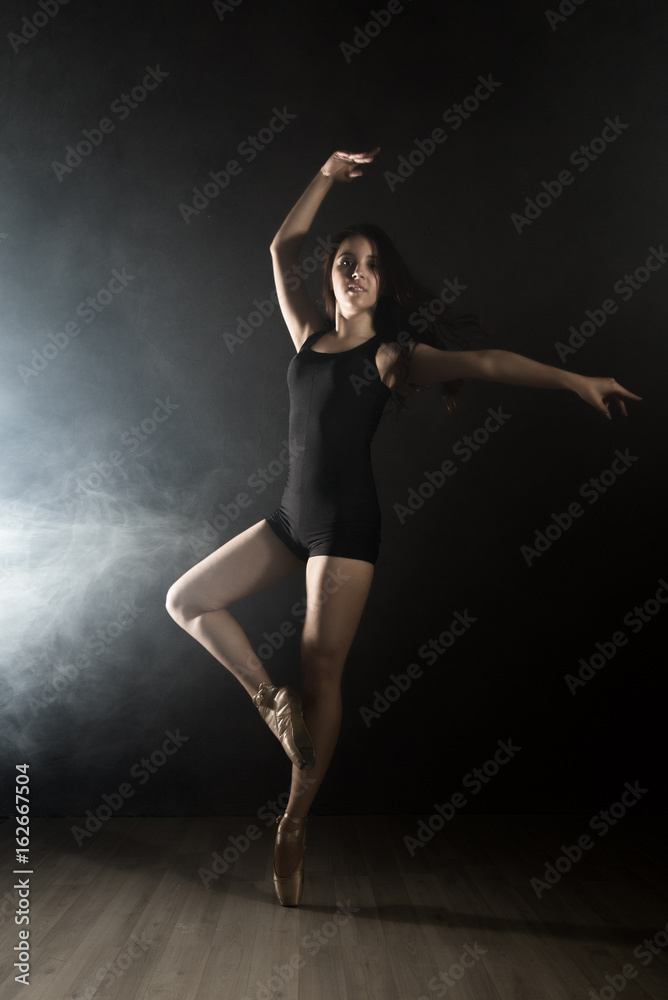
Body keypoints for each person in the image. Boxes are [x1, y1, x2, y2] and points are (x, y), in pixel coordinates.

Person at [165, 147, 641, 907]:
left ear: (384, 285)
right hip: (291, 519)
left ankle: (292, 823)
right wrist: (323, 173)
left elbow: (483, 364)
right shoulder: (307, 339)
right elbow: (280, 247)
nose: (354, 271)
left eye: (370, 264)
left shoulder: (392, 357)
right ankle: (268, 702)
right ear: (332, 276)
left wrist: (575, 380)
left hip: (346, 532)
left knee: (321, 668)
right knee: (187, 600)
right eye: (346, 261)